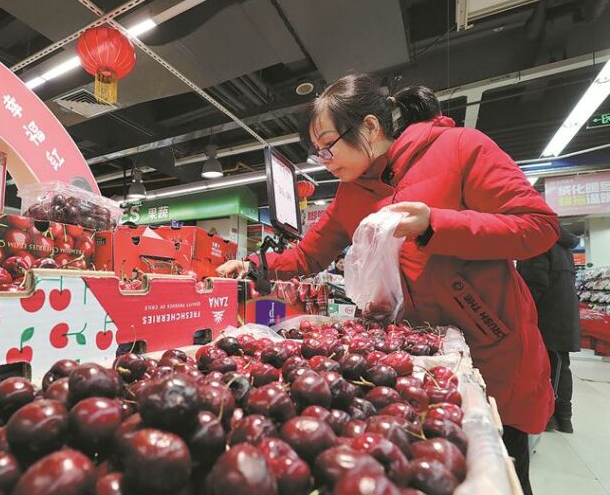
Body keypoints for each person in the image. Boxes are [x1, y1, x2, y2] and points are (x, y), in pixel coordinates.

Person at [218, 73, 558, 494]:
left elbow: (538, 226)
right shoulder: (350, 192)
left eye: (328, 144)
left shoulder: (461, 148)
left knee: (498, 464)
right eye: (317, 151)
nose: (323, 158)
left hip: (490, 343)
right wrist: (255, 263)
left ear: (370, 128)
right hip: (419, 358)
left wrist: (436, 223)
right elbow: (309, 254)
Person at [517, 225, 581, 433]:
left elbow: (532, 287)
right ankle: (562, 417)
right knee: (559, 365)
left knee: (550, 367)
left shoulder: (538, 245)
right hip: (560, 316)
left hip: (548, 318)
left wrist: (520, 316)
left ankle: (552, 416)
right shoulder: (562, 247)